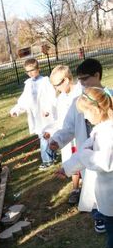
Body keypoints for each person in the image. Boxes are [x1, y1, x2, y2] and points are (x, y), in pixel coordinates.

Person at [49, 58, 113, 233]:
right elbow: (69, 126)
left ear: (97, 75)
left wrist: (84, 155)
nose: (82, 83)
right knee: (92, 187)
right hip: (90, 156)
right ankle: (99, 217)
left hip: (104, 156)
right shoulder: (80, 101)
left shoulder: (110, 97)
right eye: (80, 79)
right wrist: (58, 140)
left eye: (85, 78)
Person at [56, 87, 113, 248]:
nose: (86, 118)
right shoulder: (99, 129)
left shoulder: (110, 132)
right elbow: (83, 154)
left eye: (86, 113)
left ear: (97, 110)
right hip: (107, 194)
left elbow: (104, 161)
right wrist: (67, 168)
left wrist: (86, 154)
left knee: (112, 235)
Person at [43, 65, 82, 204]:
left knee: (85, 162)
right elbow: (61, 122)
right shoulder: (61, 99)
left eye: (57, 85)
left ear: (66, 80)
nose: (56, 89)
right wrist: (53, 135)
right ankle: (76, 189)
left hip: (82, 136)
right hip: (68, 138)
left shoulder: (81, 92)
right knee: (72, 161)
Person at [9, 58, 56, 170]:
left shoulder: (45, 81)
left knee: (45, 136)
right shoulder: (28, 84)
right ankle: (51, 156)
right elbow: (24, 100)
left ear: (38, 69)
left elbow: (52, 96)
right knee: (45, 137)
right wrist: (16, 110)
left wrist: (48, 109)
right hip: (36, 116)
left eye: (32, 70)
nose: (30, 73)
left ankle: (47, 160)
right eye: (28, 71)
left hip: (46, 115)